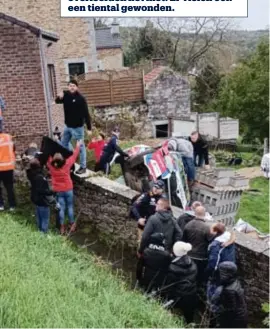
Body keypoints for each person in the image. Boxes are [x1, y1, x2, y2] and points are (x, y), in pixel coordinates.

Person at [55, 80, 92, 175]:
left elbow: (86, 114)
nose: (72, 87)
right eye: (70, 86)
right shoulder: (66, 95)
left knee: (80, 147)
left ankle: (83, 167)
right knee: (63, 144)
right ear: (68, 87)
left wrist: (89, 128)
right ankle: (68, 161)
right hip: (67, 126)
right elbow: (57, 101)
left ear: (77, 87)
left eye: (74, 86)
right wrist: (59, 96)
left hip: (77, 127)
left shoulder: (81, 99)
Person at [47, 140, 81, 235]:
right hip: (68, 188)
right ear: (62, 159)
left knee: (61, 208)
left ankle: (62, 227)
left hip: (58, 190)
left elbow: (48, 156)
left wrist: (49, 146)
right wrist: (78, 145)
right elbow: (74, 155)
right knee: (70, 207)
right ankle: (72, 225)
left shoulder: (51, 166)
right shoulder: (66, 164)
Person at [163, 241, 197, 324]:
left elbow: (169, 284)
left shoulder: (173, 268)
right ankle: (190, 324)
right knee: (189, 315)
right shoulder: (193, 264)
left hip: (178, 295)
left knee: (166, 308)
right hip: (191, 293)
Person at [209, 262, 247, 328]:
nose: (219, 275)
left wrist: (216, 308)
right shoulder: (236, 281)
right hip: (242, 315)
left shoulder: (229, 290)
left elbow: (230, 310)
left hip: (235, 321)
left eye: (221, 273)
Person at [27, 158, 59, 233]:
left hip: (36, 199)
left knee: (39, 217)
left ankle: (39, 231)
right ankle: (43, 234)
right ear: (38, 166)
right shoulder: (39, 177)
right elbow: (42, 190)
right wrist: (52, 191)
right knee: (45, 218)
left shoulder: (31, 174)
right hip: (42, 200)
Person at [0, 130, 16, 211]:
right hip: (9, 167)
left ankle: (1, 205)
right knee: (10, 188)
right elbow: (13, 149)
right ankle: (12, 206)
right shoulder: (8, 137)